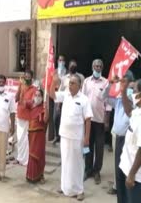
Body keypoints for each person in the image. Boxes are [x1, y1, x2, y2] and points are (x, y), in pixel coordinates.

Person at [50, 73, 93, 201]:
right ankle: (64, 187)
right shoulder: (65, 95)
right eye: (69, 83)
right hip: (64, 135)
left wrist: (86, 138)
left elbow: (88, 120)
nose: (70, 85)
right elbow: (52, 95)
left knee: (78, 163)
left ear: (79, 86)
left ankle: (79, 190)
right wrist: (53, 82)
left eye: (73, 83)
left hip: (77, 137)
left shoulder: (84, 99)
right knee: (66, 161)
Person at [103, 71, 135, 197]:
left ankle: (126, 187)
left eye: (124, 81)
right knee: (117, 163)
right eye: (121, 81)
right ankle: (117, 186)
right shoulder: (118, 100)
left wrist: (126, 92)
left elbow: (131, 111)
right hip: (116, 136)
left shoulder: (133, 97)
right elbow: (104, 97)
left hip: (128, 138)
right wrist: (110, 84)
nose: (122, 84)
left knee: (127, 163)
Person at [82, 58, 111, 184]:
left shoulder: (106, 83)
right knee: (88, 145)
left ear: (102, 68)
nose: (97, 68)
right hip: (88, 120)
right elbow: (83, 100)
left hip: (100, 120)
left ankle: (96, 171)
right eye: (96, 66)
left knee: (99, 148)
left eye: (100, 66)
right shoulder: (86, 82)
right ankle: (88, 170)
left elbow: (108, 103)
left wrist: (106, 120)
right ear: (92, 67)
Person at [15, 70, 37, 166]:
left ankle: (26, 160)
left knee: (25, 139)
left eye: (28, 76)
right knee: (20, 138)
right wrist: (20, 87)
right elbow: (16, 99)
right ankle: (20, 158)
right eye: (25, 76)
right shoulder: (21, 86)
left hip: (28, 117)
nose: (26, 78)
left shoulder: (34, 89)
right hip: (20, 115)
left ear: (31, 78)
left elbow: (33, 103)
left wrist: (25, 102)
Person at [26, 89, 49, 184]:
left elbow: (46, 120)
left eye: (39, 95)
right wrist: (33, 100)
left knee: (39, 155)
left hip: (39, 135)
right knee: (31, 155)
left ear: (42, 97)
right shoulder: (31, 105)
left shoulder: (43, 108)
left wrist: (46, 106)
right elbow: (23, 102)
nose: (37, 96)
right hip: (31, 134)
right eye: (36, 95)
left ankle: (40, 175)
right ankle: (30, 176)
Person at [52, 55, 67, 144]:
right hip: (56, 96)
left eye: (63, 60)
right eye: (60, 60)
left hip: (65, 97)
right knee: (55, 117)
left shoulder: (67, 72)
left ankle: (62, 136)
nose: (61, 62)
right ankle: (56, 135)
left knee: (63, 117)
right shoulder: (54, 72)